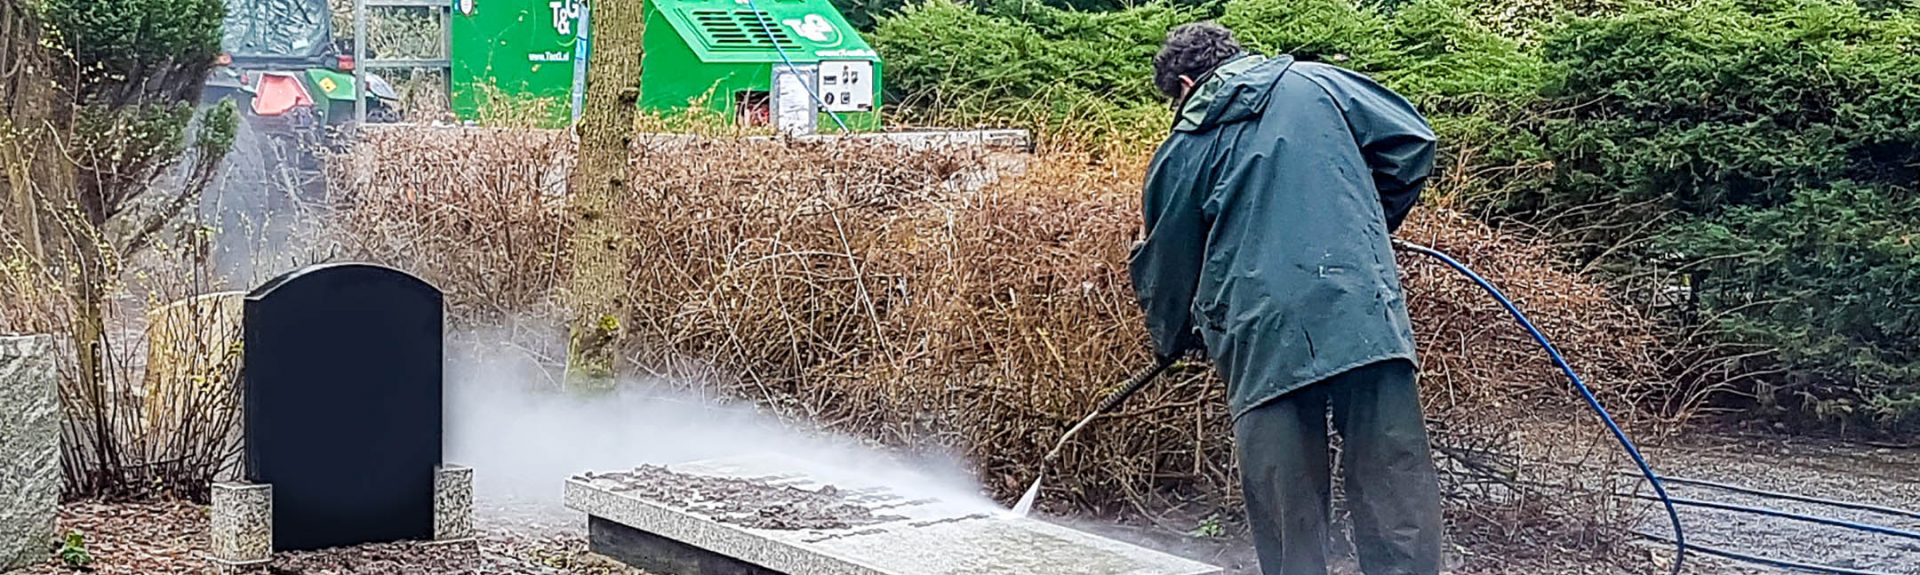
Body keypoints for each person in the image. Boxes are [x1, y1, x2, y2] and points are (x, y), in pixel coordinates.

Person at [1127, 21, 1444, 575]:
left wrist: (1172, 339)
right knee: (1392, 473)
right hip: (1359, 305)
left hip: (1260, 331)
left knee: (1285, 497)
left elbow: (1167, 264)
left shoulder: (1184, 147)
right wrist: (1363, 227)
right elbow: (1412, 142)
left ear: (1183, 84)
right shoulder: (1320, 83)